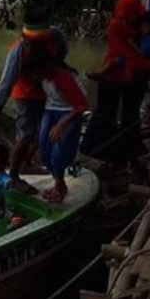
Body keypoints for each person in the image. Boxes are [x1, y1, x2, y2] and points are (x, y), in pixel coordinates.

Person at [81, 0, 150, 164]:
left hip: (134, 77)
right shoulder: (117, 25)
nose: (127, 19)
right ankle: (96, 149)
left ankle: (129, 150)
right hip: (115, 75)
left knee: (130, 114)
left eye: (130, 16)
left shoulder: (144, 24)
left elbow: (148, 51)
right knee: (105, 113)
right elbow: (119, 54)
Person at [0, 11, 68, 193]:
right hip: (24, 95)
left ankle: (28, 163)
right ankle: (14, 176)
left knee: (44, 133)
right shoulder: (18, 52)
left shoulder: (56, 37)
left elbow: (62, 55)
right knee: (25, 135)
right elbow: (4, 86)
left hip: (46, 92)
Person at [32, 56, 89, 203]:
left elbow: (82, 106)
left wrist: (61, 124)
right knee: (44, 152)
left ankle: (60, 185)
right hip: (51, 109)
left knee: (58, 153)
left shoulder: (63, 78)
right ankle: (58, 181)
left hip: (70, 111)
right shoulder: (43, 78)